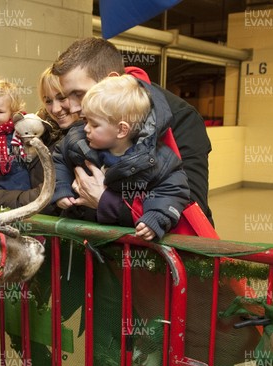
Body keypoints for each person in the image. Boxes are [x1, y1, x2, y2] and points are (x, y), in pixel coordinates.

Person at [51, 37, 213, 226]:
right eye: (66, 96)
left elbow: (188, 207)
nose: (72, 108)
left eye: (78, 94)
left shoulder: (182, 118)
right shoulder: (88, 117)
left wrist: (106, 202)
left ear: (110, 80)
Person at [53, 75, 190, 241]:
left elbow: (173, 191)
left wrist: (156, 217)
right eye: (85, 120)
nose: (86, 128)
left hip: (120, 243)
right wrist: (61, 188)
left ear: (121, 130)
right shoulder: (77, 140)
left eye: (94, 124)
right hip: (78, 237)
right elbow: (59, 157)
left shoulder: (159, 161)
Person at [0, 67, 83, 214]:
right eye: (48, 101)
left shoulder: (84, 139)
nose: (55, 109)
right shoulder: (43, 129)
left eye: (62, 97)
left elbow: (47, 196)